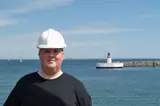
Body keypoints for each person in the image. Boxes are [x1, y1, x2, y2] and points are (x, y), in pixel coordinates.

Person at [3, 29, 92, 106]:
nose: (51, 55)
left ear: (62, 55)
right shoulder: (25, 83)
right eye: (47, 51)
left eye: (56, 51)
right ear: (39, 54)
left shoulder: (76, 87)